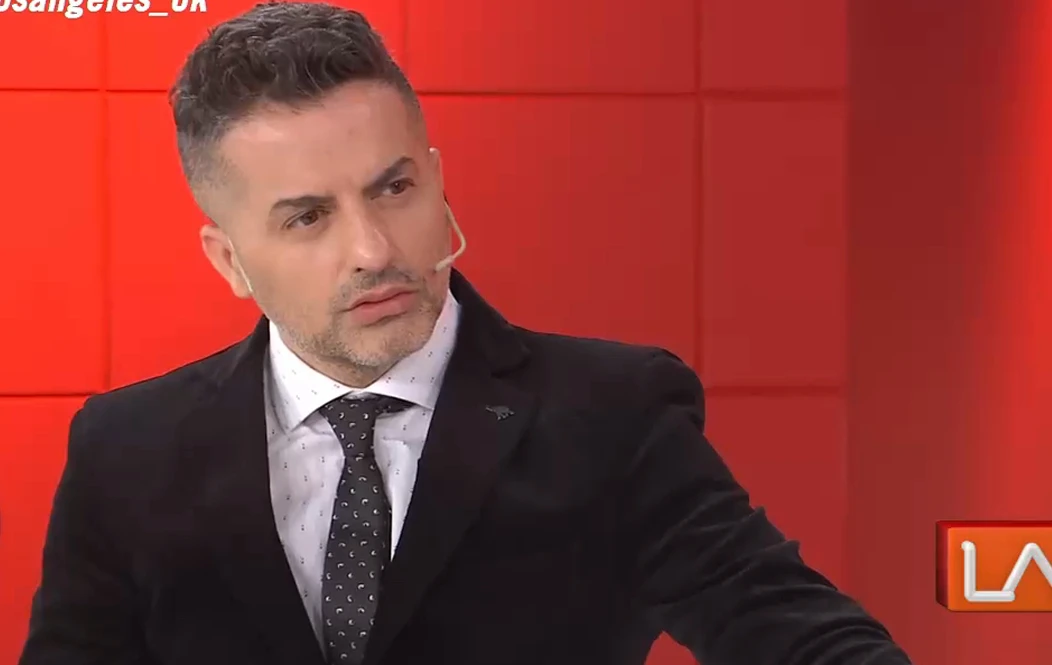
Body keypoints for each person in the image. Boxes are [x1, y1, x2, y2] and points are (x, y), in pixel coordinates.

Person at [18, 3, 913, 664]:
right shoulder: (124, 450)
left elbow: (792, 631)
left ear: (437, 180)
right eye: (308, 217)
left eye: (395, 188)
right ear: (229, 260)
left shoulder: (615, 415)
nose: (374, 250)